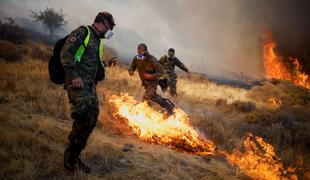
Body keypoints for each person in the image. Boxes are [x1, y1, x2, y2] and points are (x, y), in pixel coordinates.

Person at [60, 11, 115, 173]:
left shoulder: (97, 40)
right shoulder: (83, 32)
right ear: (103, 23)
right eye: (110, 27)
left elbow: (92, 62)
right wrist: (74, 75)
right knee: (84, 115)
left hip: (89, 85)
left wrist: (105, 65)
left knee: (92, 118)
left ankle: (75, 155)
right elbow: (66, 53)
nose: (109, 31)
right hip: (76, 82)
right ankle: (70, 157)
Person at [128, 43, 174, 115]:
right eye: (138, 50)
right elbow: (132, 66)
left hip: (153, 83)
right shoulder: (137, 58)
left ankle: (146, 115)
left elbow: (161, 71)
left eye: (141, 51)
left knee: (146, 98)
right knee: (154, 97)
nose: (140, 52)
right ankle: (169, 107)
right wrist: (131, 71)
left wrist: (151, 76)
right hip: (145, 83)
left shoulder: (151, 59)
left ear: (146, 51)